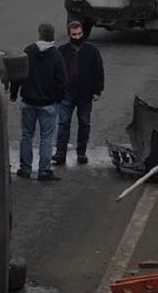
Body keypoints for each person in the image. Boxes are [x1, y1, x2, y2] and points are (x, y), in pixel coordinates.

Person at [11, 23, 65, 181]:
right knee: (46, 138)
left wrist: (14, 93)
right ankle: (44, 170)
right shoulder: (56, 55)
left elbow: (18, 74)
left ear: (39, 34)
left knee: (27, 135)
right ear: (52, 36)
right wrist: (58, 98)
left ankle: (25, 168)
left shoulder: (28, 51)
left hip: (28, 101)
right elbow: (62, 81)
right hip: (48, 103)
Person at [54, 20, 105, 165]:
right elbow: (56, 72)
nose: (77, 37)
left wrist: (97, 91)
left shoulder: (92, 51)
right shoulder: (62, 51)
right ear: (69, 35)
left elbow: (99, 71)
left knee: (84, 123)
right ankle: (60, 153)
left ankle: (81, 152)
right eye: (74, 35)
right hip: (66, 93)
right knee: (63, 123)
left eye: (79, 34)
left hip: (85, 93)